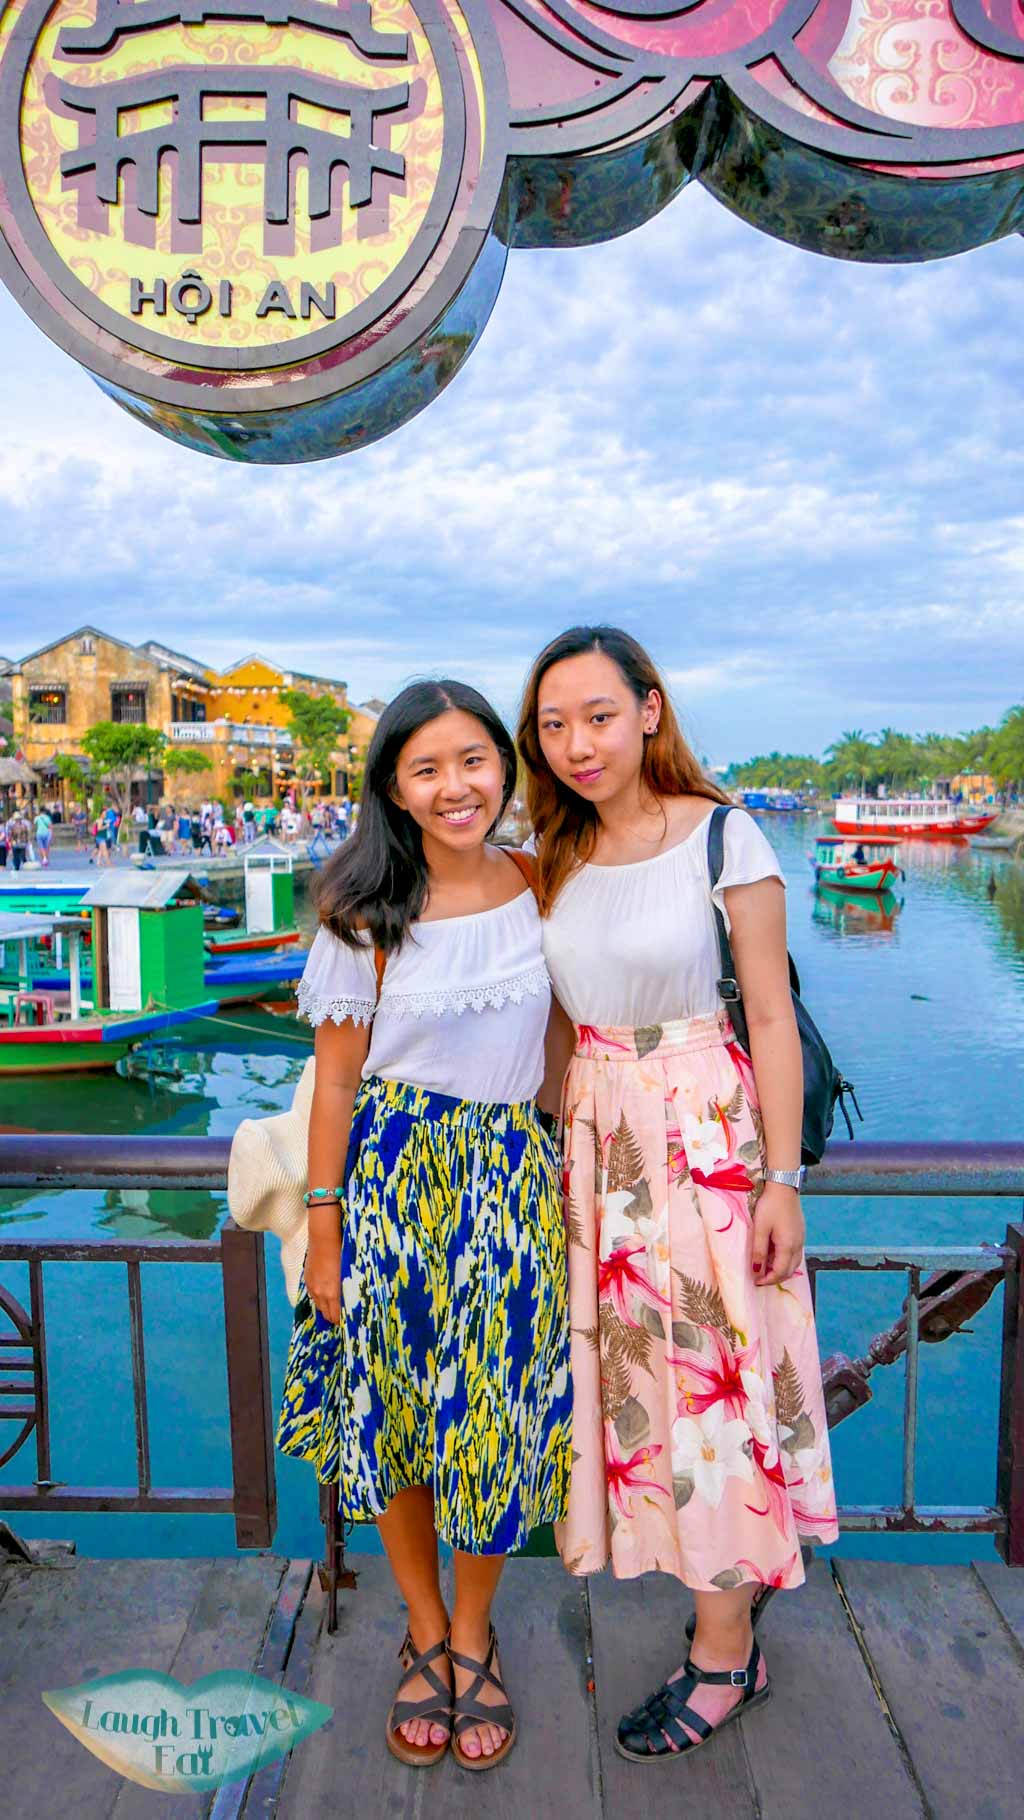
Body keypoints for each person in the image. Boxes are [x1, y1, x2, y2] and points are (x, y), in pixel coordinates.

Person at [517, 626, 838, 1764]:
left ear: (649, 709)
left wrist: (781, 1179)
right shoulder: (548, 850)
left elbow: (765, 1017)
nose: (575, 743)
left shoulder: (723, 834)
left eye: (597, 714)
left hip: (704, 1133)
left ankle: (722, 1650)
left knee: (713, 1390)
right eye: (552, 724)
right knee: (636, 1382)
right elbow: (552, 1021)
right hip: (598, 1143)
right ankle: (719, 1608)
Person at [276, 680, 572, 1770]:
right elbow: (338, 1084)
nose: (456, 786)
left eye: (473, 760)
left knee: (490, 1419)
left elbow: (567, 1043)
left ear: (504, 764)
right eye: (427, 768)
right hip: (392, 1178)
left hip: (510, 1179)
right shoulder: (366, 909)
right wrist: (323, 1224)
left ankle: (480, 1628)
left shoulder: (543, 880)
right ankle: (425, 1627)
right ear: (393, 787)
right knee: (394, 1415)